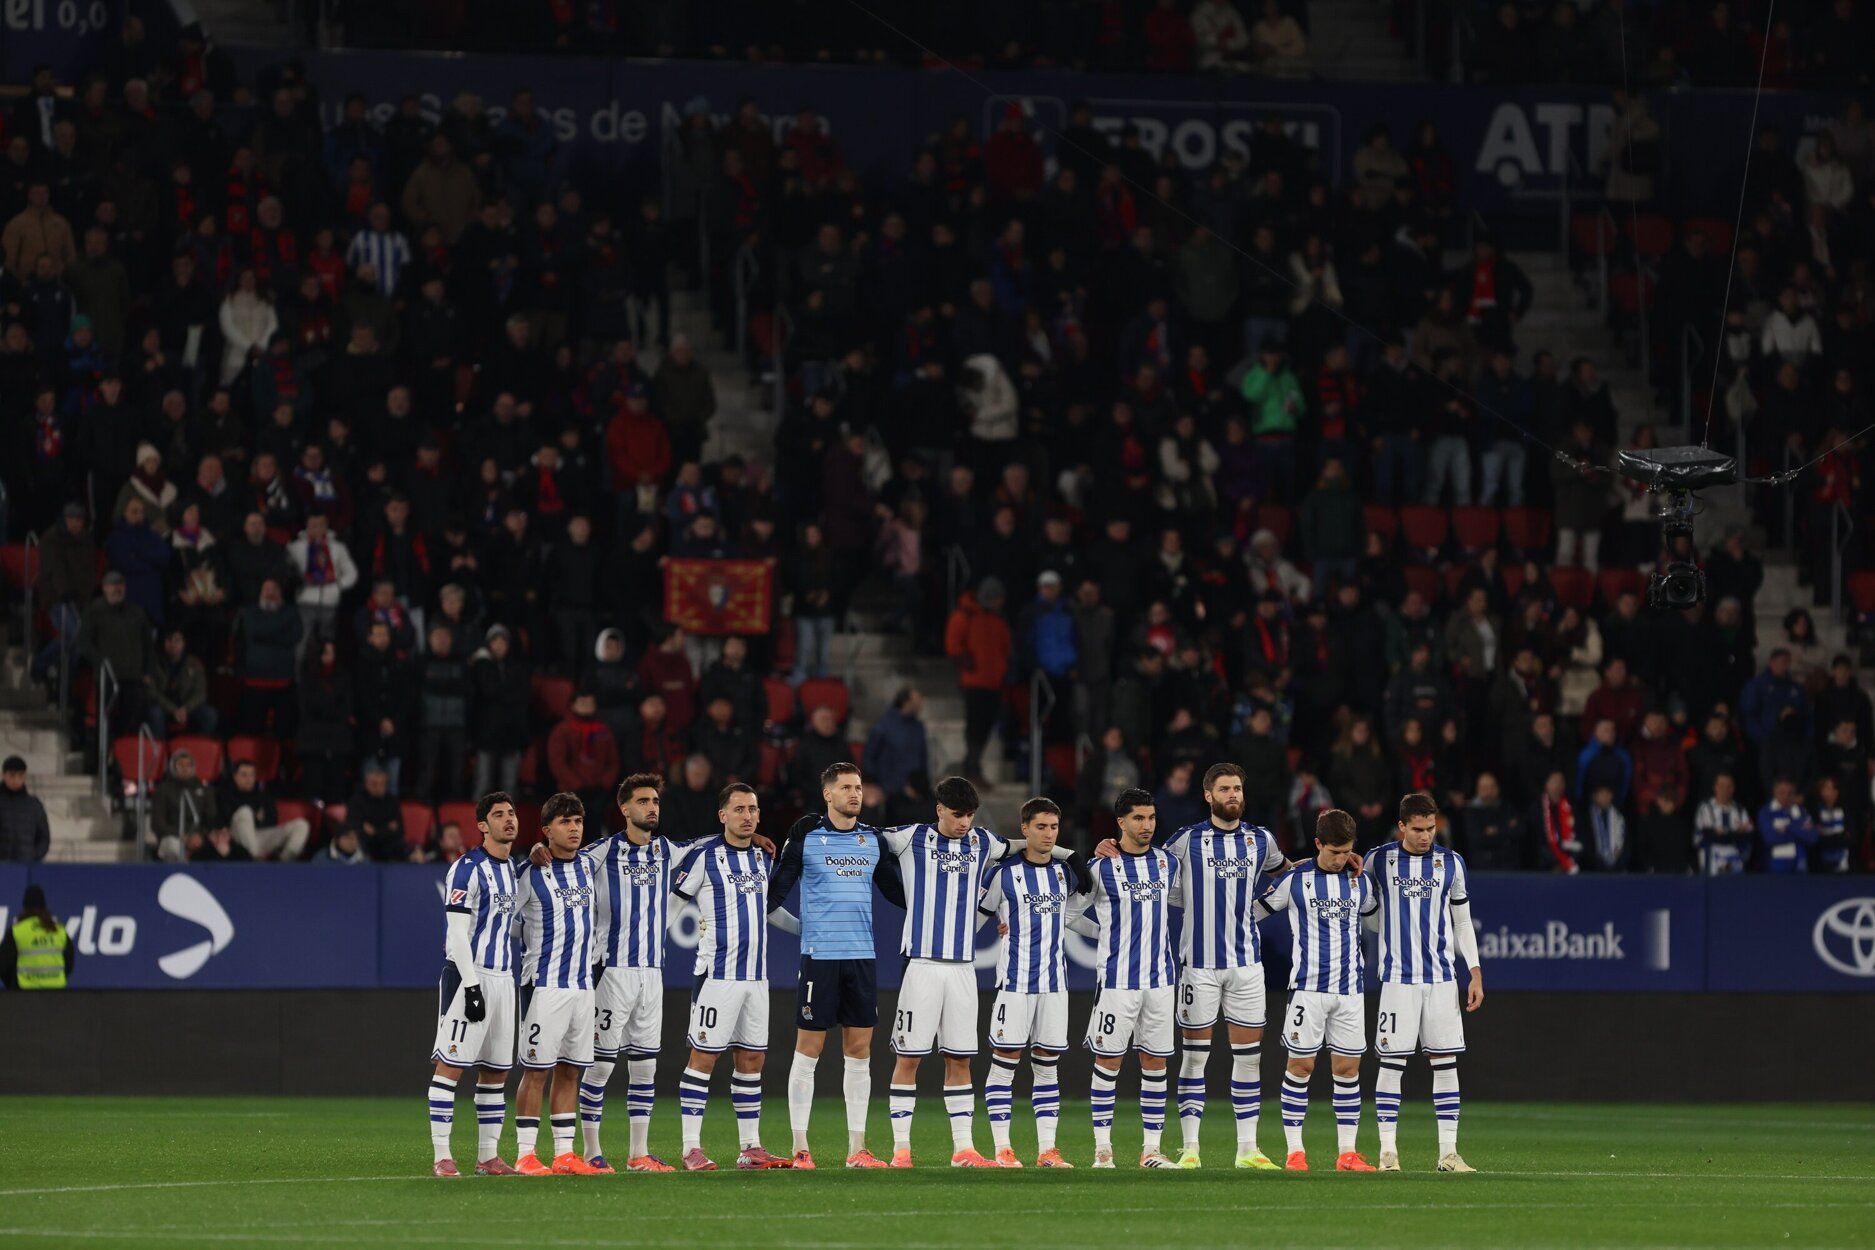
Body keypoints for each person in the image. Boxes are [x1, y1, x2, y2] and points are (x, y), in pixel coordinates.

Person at [1099, 762, 1303, 1170]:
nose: (1233, 795)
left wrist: (1336, 860)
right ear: (1208, 795)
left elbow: (1288, 873)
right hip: (1198, 966)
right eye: (1224, 789)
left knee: (1249, 1058)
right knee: (1195, 1058)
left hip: (1247, 965)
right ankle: (1190, 1148)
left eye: (1238, 788)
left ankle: (1248, 1150)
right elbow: (1145, 863)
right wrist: (1109, 845)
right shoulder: (1185, 841)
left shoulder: (1261, 840)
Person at [881, 775, 1063, 1168]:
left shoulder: (982, 841)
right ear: (939, 810)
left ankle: (963, 1149)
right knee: (909, 1059)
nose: (964, 822)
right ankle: (901, 1150)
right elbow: (862, 839)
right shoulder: (910, 838)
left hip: (964, 969)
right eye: (957, 815)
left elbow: (1025, 844)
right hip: (922, 965)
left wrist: (1073, 854)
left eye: (969, 815)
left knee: (960, 1059)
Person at [764, 762, 905, 1169]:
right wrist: (803, 929)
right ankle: (800, 1148)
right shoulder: (806, 838)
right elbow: (771, 900)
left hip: (862, 958)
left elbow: (899, 894)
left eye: (858, 787)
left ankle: (857, 1149)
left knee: (859, 1053)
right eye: (846, 788)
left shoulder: (872, 840)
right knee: (808, 1051)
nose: (855, 794)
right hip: (819, 959)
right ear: (827, 794)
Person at [563, 775, 680, 1173]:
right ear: (625, 809)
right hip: (611, 972)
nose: (652, 807)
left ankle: (638, 1153)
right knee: (600, 1065)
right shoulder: (601, 852)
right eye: (643, 801)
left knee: (645, 1066)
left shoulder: (667, 850)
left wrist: (756, 838)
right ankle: (591, 1151)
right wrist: (541, 852)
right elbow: (561, 860)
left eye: (655, 801)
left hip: (653, 974)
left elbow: (711, 847)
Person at [671, 783, 790, 1171]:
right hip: (717, 976)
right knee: (703, 1058)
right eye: (739, 809)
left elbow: (768, 910)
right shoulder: (704, 856)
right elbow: (671, 906)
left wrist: (807, 929)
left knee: (752, 1059)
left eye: (752, 809)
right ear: (722, 815)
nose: (747, 816)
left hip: (756, 977)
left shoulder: (762, 857)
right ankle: (690, 1148)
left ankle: (750, 1147)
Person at [1364, 792, 1482, 1173]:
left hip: (1442, 979)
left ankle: (1449, 1153)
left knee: (1445, 1063)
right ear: (1401, 826)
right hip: (1398, 979)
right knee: (1391, 1063)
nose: (1426, 836)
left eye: (1431, 828)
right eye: (1418, 829)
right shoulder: (1378, 860)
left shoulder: (1452, 863)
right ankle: (1387, 1153)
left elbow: (1462, 921)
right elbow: (1362, 906)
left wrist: (1475, 971)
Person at [1259, 809, 1378, 1173]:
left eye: (1347, 852)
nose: (1341, 859)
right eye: (1334, 852)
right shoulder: (1295, 880)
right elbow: (1252, 914)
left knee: (1347, 1069)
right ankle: (1295, 1152)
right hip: (1308, 989)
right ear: (1317, 844)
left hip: (1350, 991)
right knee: (1301, 1065)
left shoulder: (1360, 881)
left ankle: (1347, 1154)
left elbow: (1375, 916)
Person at [1072, 789, 1179, 1168]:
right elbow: (1068, 913)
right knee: (1108, 1060)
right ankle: (1103, 1149)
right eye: (1138, 818)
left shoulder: (1167, 863)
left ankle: (1151, 1149)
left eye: (1151, 817)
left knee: (1155, 1063)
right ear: (1121, 822)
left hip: (1161, 980)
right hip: (1117, 981)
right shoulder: (1099, 868)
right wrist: (1103, 933)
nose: (1147, 825)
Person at [977, 798, 1084, 1170]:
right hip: (1015, 984)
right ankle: (1002, 1149)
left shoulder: (1064, 874)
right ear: (1025, 829)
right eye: (1041, 826)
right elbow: (977, 918)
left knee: (1048, 1065)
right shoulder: (1002, 874)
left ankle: (1047, 1151)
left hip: (1055, 985)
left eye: (1054, 827)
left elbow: (1071, 918)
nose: (1048, 834)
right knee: (1004, 1062)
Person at [426, 792, 522, 1178]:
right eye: (498, 815)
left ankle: (488, 1157)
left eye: (511, 813)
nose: (508, 819)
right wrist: (470, 985)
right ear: (482, 825)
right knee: (450, 1066)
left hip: (504, 979)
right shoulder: (467, 868)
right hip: (470, 975)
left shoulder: (513, 869)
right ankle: (442, 1155)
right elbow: (457, 932)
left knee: (496, 1072)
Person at [511, 793, 602, 1177]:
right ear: (547, 830)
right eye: (565, 822)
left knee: (570, 1070)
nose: (574, 828)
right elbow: (504, 919)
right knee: (536, 1071)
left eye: (578, 821)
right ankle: (525, 1154)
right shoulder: (529, 873)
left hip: (582, 987)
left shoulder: (589, 864)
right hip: (544, 985)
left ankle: (565, 1154)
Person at [944, 578, 1013, 786]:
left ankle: (971, 765)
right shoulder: (965, 615)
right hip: (974, 682)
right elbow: (953, 644)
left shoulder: (997, 620)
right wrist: (967, 662)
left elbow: (1005, 648)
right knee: (976, 726)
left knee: (985, 726)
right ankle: (972, 768)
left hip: (993, 683)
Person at [215, 757, 310, 860]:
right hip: (236, 838)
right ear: (235, 777)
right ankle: (255, 861)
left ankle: (283, 864)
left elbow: (272, 821)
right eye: (244, 775)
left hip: (260, 836)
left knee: (301, 825)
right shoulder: (225, 794)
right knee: (245, 812)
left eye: (252, 775)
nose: (249, 779)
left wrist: (257, 821)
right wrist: (255, 818)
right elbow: (224, 818)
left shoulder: (262, 796)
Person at [1, 884, 71, 989]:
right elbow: (69, 963)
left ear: (24, 907)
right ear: (44, 906)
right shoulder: (59, 930)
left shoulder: (17, 931)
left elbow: (3, 964)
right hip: (56, 992)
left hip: (25, 992)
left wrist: (13, 986)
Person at [1694, 773, 1753, 875]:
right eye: (1721, 786)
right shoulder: (1705, 808)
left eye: (1728, 786)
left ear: (1733, 788)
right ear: (1715, 787)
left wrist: (1723, 833)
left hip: (1735, 858)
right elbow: (1706, 835)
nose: (1725, 790)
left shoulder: (1740, 811)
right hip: (1711, 859)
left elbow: (1747, 835)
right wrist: (1734, 833)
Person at [1757, 778, 1816, 874]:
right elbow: (1769, 838)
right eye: (1782, 792)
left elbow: (1812, 837)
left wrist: (1787, 828)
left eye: (1790, 793)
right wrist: (1799, 830)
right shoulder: (1766, 812)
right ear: (1774, 792)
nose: (1786, 796)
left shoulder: (1802, 812)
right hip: (1775, 866)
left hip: (1800, 865)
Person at [0, 756, 52, 862]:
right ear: (3, 775)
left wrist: (34, 856)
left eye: (20, 775)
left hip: (26, 866)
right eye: (12, 775)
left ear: (24, 777)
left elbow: (44, 837)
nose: (16, 780)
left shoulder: (34, 805)